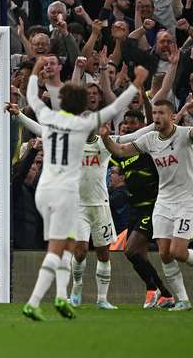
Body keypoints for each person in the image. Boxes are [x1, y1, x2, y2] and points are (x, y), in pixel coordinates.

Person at [21, 57, 147, 321]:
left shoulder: (84, 134)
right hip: (70, 200)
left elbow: (35, 105)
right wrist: (136, 83)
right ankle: (67, 295)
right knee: (73, 250)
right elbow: (116, 108)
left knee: (90, 251)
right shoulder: (78, 128)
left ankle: (94, 298)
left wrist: (35, 71)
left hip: (88, 202)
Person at [102, 99, 193, 311]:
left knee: (178, 251)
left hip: (187, 198)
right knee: (164, 253)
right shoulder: (150, 139)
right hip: (164, 200)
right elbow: (121, 151)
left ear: (172, 116)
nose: (157, 117)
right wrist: (106, 137)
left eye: (161, 112)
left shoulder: (184, 133)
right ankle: (182, 300)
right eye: (154, 113)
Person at [107, 110, 175, 308]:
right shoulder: (124, 153)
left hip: (151, 207)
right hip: (133, 208)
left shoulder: (149, 149)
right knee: (140, 257)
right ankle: (164, 295)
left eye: (133, 122)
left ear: (142, 124)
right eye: (125, 123)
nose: (128, 125)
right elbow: (117, 168)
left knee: (129, 251)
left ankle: (155, 289)